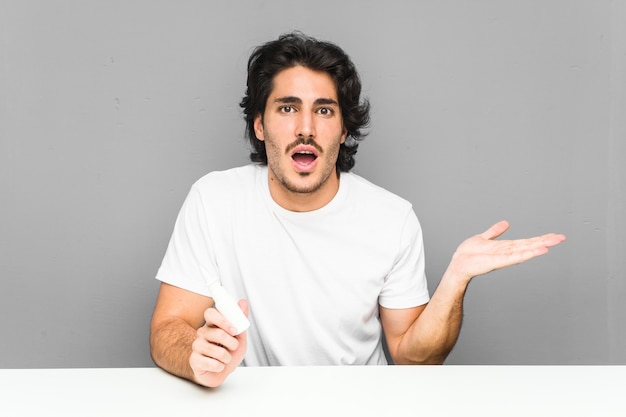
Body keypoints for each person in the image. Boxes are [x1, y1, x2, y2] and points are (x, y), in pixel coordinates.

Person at [149, 32, 566, 388]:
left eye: (324, 110)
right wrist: (196, 356)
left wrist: (455, 281)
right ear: (259, 124)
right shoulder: (213, 200)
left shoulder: (391, 218)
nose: (306, 127)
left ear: (344, 127)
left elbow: (412, 358)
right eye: (288, 108)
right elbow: (168, 328)